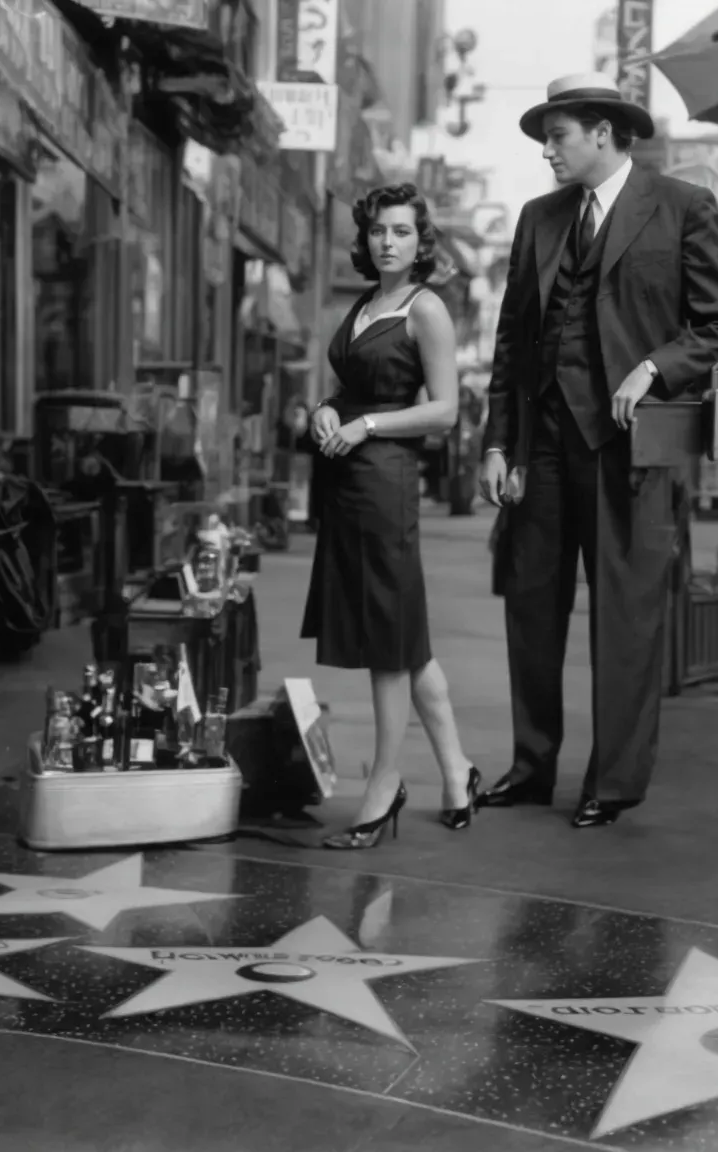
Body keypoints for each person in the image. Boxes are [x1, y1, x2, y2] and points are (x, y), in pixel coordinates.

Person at [478, 73, 718, 828]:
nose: (546, 153)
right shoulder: (538, 218)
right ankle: (532, 769)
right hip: (544, 445)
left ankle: (614, 782)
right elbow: (511, 345)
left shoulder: (682, 206)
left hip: (630, 446)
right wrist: (498, 441)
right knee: (532, 610)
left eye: (555, 137)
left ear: (603, 132)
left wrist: (655, 367)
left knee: (626, 620)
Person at [302, 184, 482, 848]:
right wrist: (327, 407)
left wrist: (367, 423)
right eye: (379, 230)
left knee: (387, 640)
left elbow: (444, 411)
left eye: (402, 232)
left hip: (385, 483)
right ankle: (458, 771)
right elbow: (354, 385)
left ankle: (385, 781)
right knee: (404, 635)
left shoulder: (424, 308)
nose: (388, 241)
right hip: (348, 478)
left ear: (420, 242)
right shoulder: (366, 303)